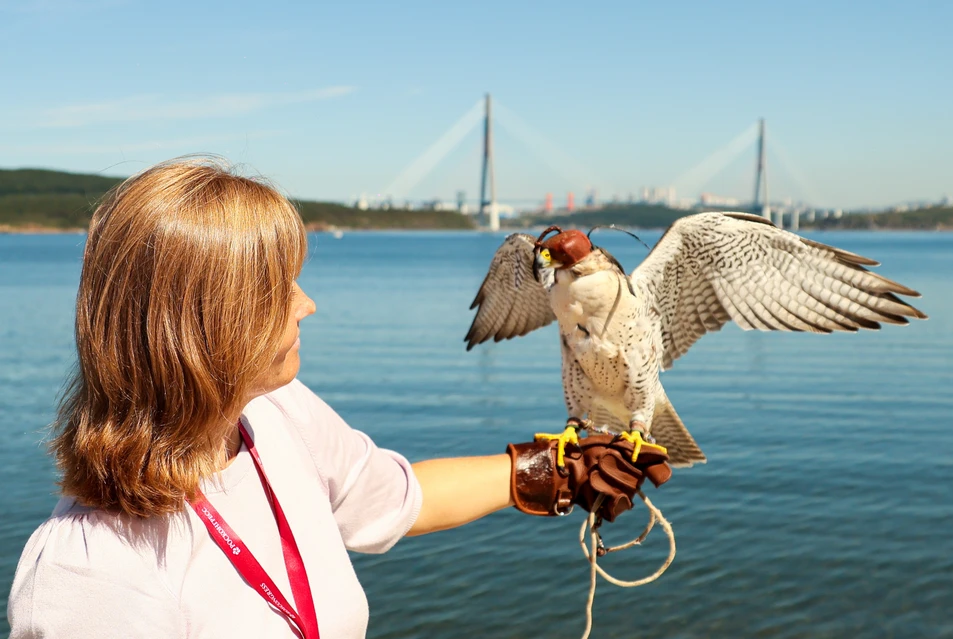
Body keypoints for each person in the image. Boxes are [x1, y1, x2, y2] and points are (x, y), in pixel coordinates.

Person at [7, 157, 669, 638]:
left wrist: (558, 469)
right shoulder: (87, 579)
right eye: (279, 291)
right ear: (206, 326)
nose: (309, 305)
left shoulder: (273, 413)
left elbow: (398, 498)